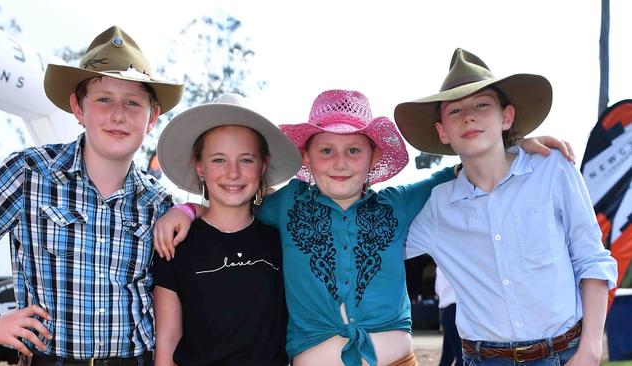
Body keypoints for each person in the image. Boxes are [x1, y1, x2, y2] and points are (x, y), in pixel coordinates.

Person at [154, 89, 573, 366]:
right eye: (327, 150)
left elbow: (464, 165)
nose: (340, 161)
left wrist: (518, 146)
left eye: (354, 150)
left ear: (374, 160)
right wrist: (188, 209)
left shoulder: (400, 203)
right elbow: (233, 202)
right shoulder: (284, 205)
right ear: (307, 158)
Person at [395, 48, 618, 366]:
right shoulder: (437, 207)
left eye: (482, 105)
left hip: (566, 353)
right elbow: (377, 243)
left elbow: (592, 258)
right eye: (455, 111)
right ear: (442, 132)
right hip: (485, 358)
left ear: (507, 117)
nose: (469, 115)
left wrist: (591, 350)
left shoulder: (552, 168)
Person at [0, 26, 183, 366]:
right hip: (49, 358)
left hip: (135, 359)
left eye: (133, 103)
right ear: (78, 108)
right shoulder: (28, 173)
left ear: (152, 118)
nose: (118, 114)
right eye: (104, 99)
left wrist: (190, 210)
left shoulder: (159, 203)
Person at [152, 93, 302, 365]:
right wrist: (186, 209)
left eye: (246, 159)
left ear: (263, 164)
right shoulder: (176, 242)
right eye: (219, 160)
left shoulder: (280, 240)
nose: (233, 173)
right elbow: (167, 343)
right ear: (199, 166)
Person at [434, 268, 461, 366]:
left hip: (445, 309)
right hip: (456, 309)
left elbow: (437, 289)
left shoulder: (439, 266)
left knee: (448, 355)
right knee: (460, 355)